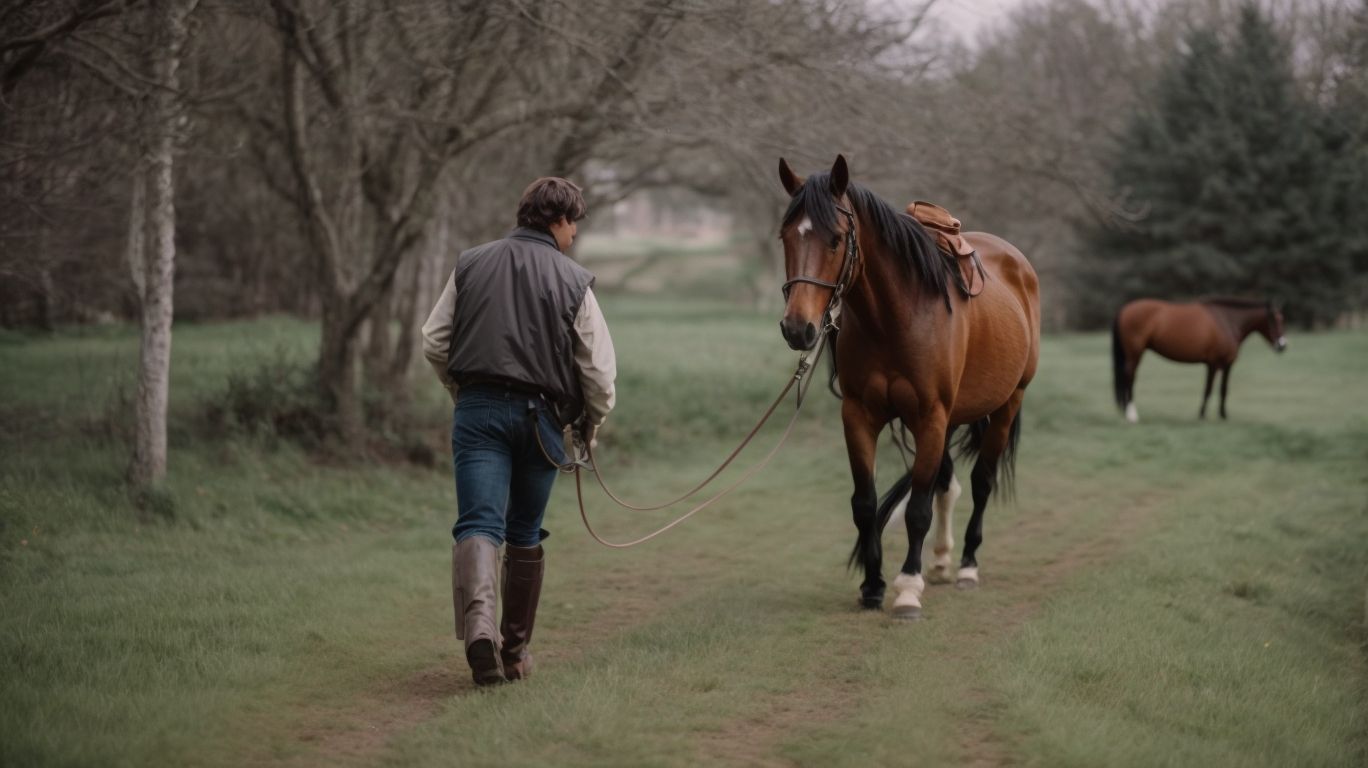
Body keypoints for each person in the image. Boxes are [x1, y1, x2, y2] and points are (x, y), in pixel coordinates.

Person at [421, 177, 616, 686]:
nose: (574, 233)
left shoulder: (471, 262)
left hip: (477, 410)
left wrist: (461, 392)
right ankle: (512, 653)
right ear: (559, 220)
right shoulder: (574, 280)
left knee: (478, 523)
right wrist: (589, 426)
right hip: (541, 420)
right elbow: (598, 372)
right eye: (575, 222)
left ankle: (478, 629)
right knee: (524, 532)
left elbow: (435, 341)